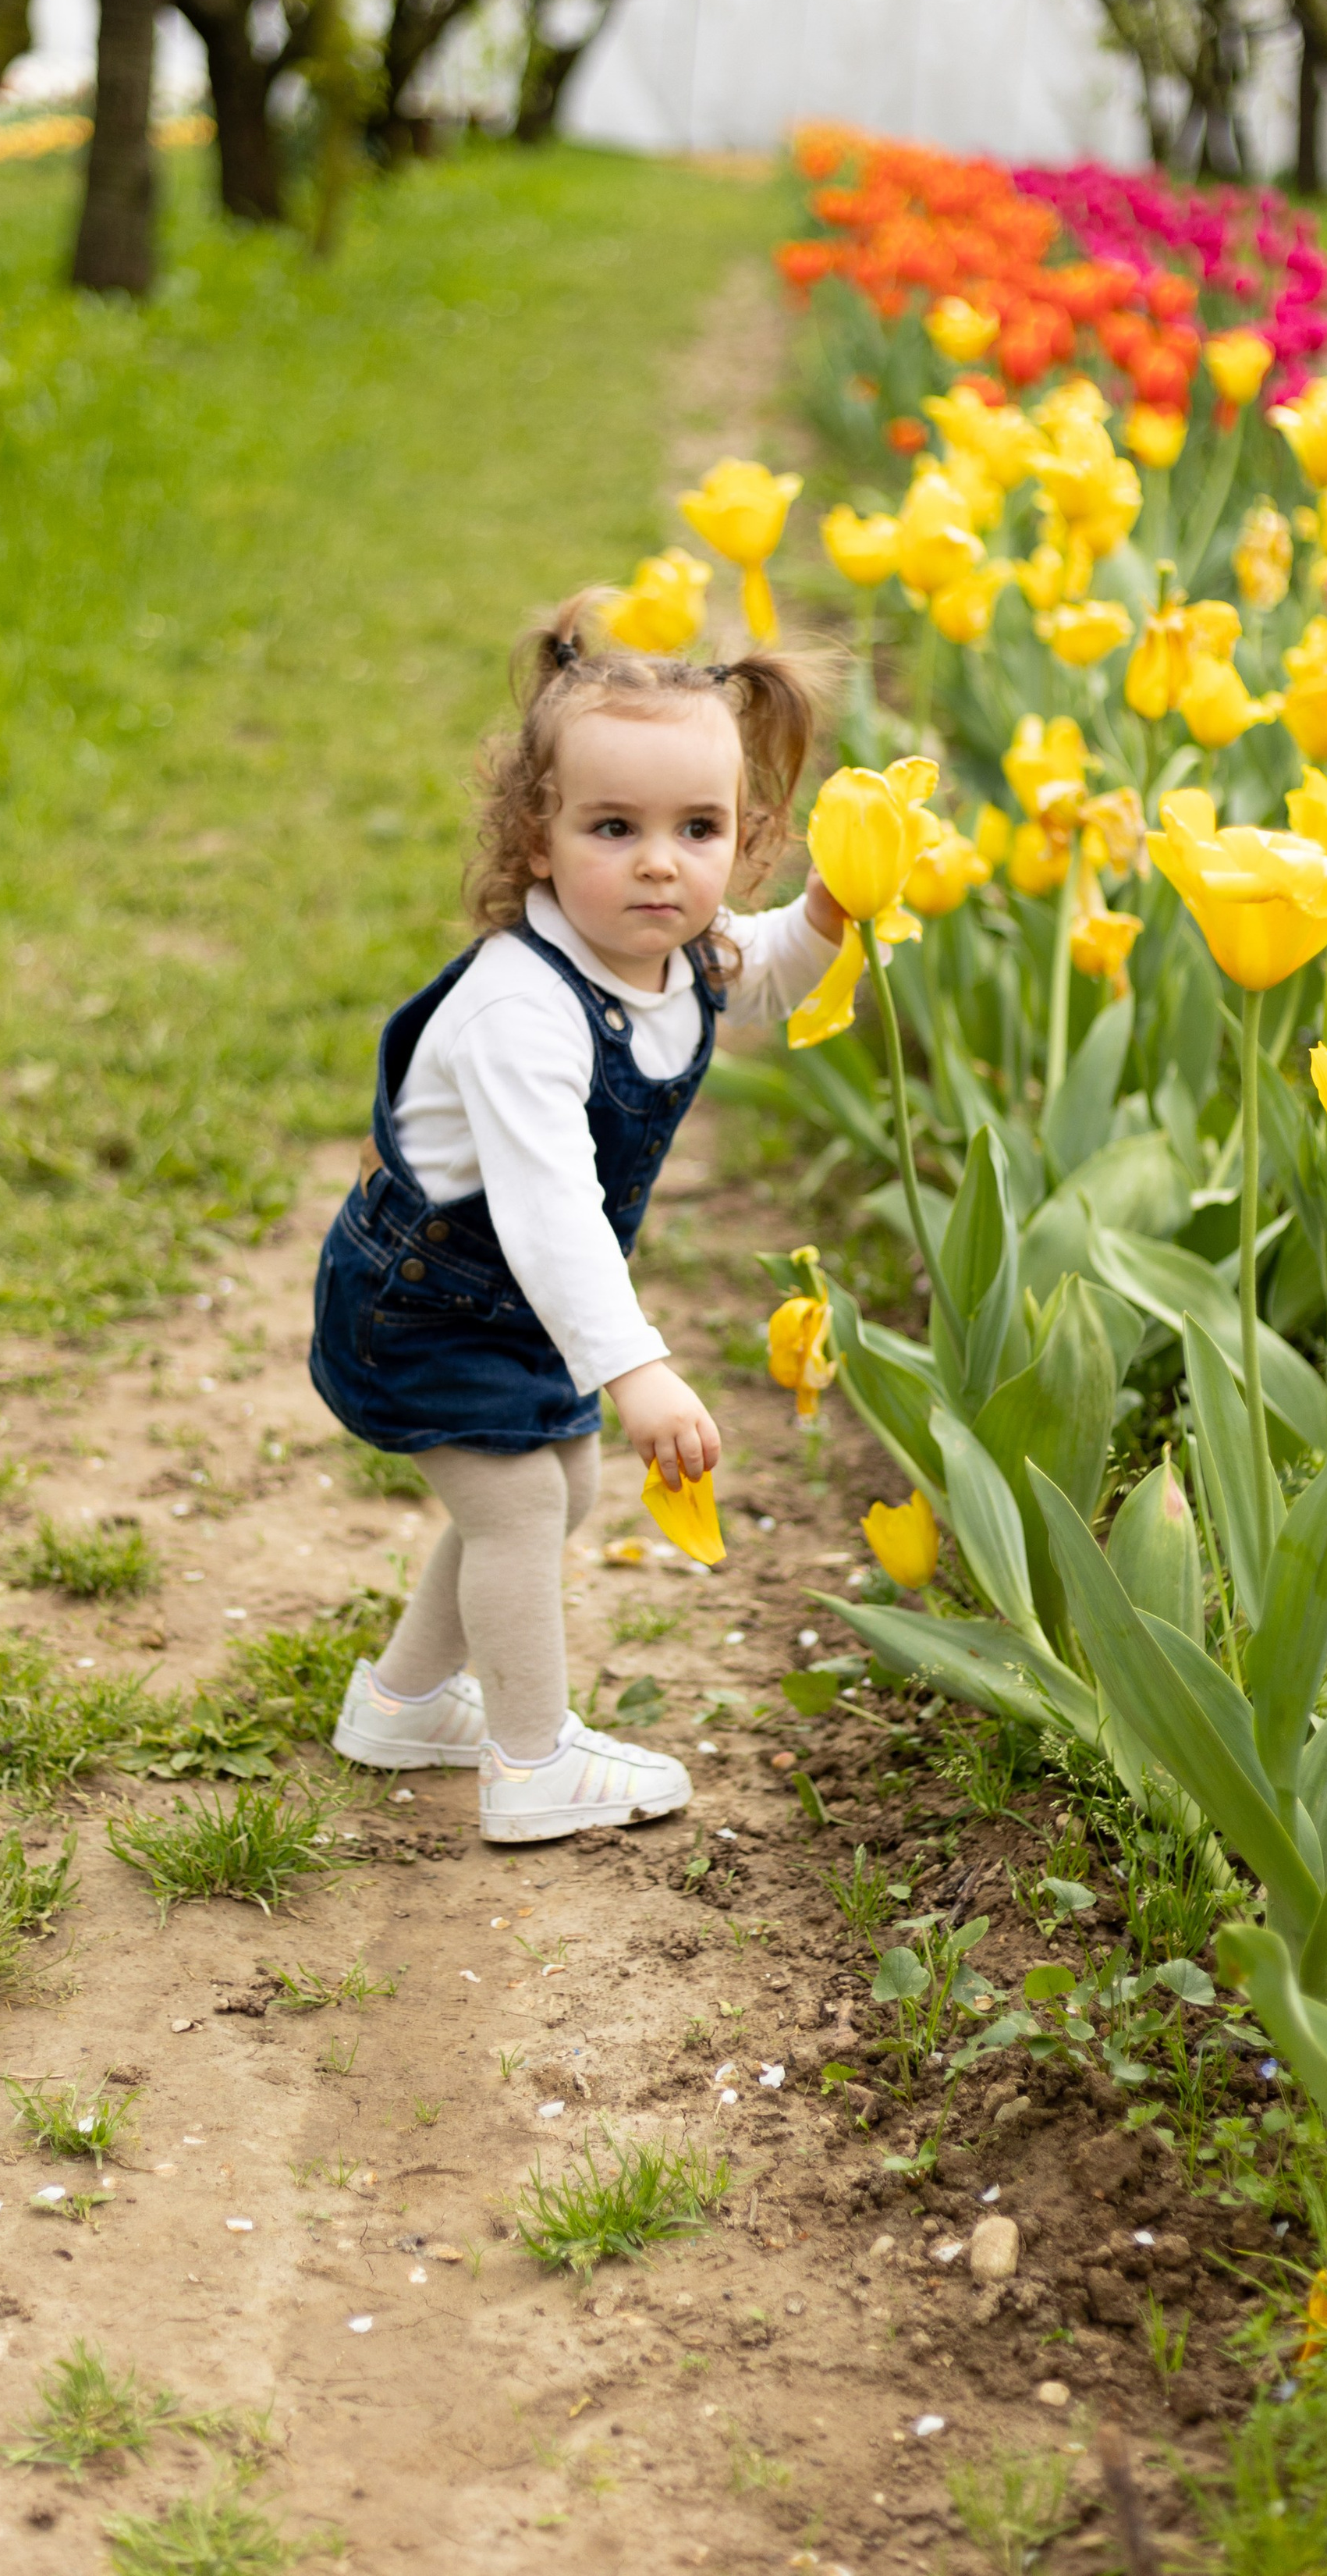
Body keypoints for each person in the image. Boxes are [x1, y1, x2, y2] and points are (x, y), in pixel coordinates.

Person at [310, 593, 845, 1843]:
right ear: (536, 840)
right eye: (617, 827)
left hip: (503, 1301)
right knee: (518, 1504)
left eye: (697, 829)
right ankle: (531, 1760)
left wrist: (828, 917)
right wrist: (640, 1372)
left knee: (559, 1484)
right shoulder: (522, 1010)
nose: (662, 862)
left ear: (748, 838)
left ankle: (404, 1702)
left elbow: (761, 969)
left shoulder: (679, 949)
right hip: (424, 1302)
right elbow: (550, 1215)